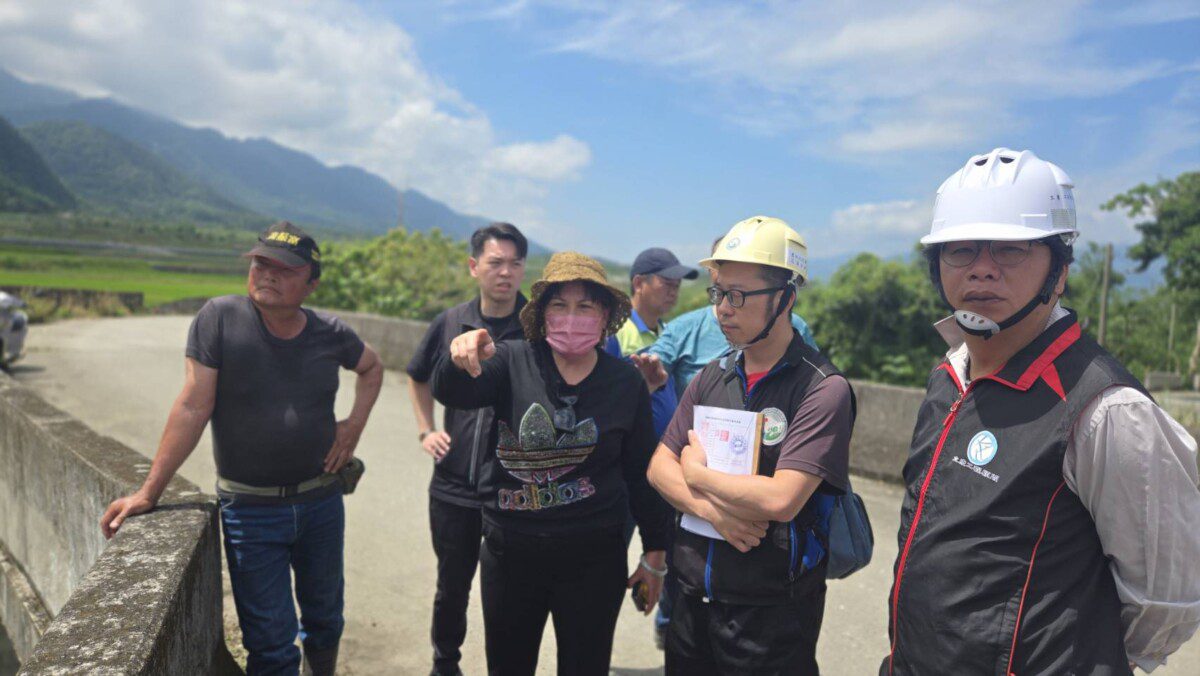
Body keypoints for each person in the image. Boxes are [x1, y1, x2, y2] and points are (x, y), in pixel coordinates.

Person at [882, 148, 1200, 675]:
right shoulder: (948, 375)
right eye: (960, 250)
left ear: (1059, 270)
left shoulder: (1105, 409)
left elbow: (1166, 597)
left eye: (1011, 249)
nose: (982, 269)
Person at [100, 221, 384, 676]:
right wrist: (149, 492)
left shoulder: (330, 333)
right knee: (271, 644)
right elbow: (192, 405)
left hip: (321, 502)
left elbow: (372, 367)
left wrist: (352, 428)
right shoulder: (220, 319)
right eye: (261, 263)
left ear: (311, 284)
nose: (268, 274)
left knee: (325, 621)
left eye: (285, 269)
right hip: (251, 511)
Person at [431, 252, 671, 675]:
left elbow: (640, 472)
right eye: (559, 305)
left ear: (604, 317)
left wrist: (655, 555)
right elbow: (454, 392)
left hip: (594, 559)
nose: (571, 317)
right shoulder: (509, 359)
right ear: (542, 315)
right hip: (510, 552)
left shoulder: (625, 381)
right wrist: (458, 358)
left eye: (585, 306)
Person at [643, 216, 854, 675]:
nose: (723, 309)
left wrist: (695, 474)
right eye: (718, 293)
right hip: (692, 599)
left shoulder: (822, 389)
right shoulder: (713, 374)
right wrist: (713, 512)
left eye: (738, 295)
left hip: (770, 614)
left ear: (785, 299)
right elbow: (658, 466)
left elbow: (781, 499)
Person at [406, 222, 529, 676]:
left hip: (511, 488)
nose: (506, 272)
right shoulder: (450, 323)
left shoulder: (534, 327)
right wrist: (425, 430)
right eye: (496, 263)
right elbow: (417, 375)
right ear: (474, 266)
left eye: (515, 263)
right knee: (451, 587)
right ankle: (445, 664)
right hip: (453, 484)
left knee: (511, 593)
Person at [639, 235, 818, 397]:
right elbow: (650, 370)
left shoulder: (791, 325)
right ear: (711, 272)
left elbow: (813, 379)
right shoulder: (682, 329)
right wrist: (644, 379)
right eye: (721, 264)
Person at [605, 247, 698, 437]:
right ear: (639, 283)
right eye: (667, 283)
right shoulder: (615, 332)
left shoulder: (671, 333)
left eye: (677, 285)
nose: (673, 292)